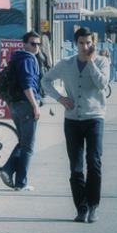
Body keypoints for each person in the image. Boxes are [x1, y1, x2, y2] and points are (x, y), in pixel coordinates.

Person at [43, 27, 110, 223]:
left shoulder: (101, 61)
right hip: (72, 120)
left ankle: (93, 206)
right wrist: (60, 98)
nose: (85, 47)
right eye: (81, 43)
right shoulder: (66, 64)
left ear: (93, 43)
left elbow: (102, 84)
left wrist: (90, 62)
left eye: (88, 43)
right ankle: (81, 208)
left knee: (94, 162)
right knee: (76, 166)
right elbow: (45, 80)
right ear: (75, 43)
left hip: (94, 117)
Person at [0, 31, 43, 191]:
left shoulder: (16, 57)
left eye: (38, 44)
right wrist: (35, 105)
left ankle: (8, 171)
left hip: (14, 105)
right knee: (28, 146)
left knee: (23, 142)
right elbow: (27, 85)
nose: (36, 46)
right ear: (24, 44)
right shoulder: (27, 59)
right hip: (26, 105)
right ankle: (20, 182)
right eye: (33, 43)